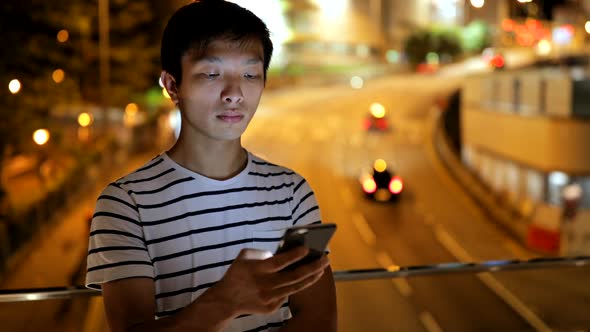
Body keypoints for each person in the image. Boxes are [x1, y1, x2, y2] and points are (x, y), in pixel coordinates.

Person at [85, 1, 337, 331]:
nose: (234, 93)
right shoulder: (124, 205)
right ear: (172, 85)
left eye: (250, 74)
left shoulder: (291, 193)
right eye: (211, 73)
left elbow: (319, 320)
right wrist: (224, 301)